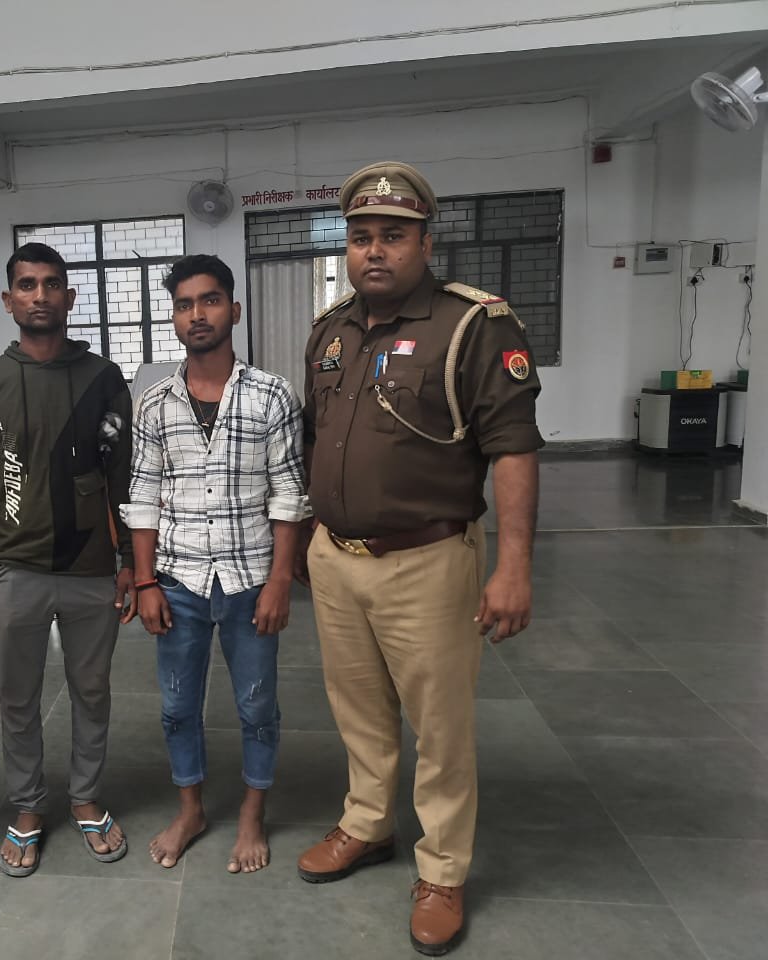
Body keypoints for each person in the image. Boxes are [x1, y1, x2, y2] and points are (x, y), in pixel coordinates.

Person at [295, 162, 542, 956]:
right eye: (361, 236)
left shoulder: (472, 326)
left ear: (426, 243)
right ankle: (368, 824)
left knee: (440, 727)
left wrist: (514, 567)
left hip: (428, 561)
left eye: (393, 236)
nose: (374, 251)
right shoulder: (330, 330)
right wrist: (312, 533)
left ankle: (442, 870)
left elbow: (513, 448)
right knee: (358, 710)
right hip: (337, 558)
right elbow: (318, 439)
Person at [123, 254, 307, 875]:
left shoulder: (271, 395)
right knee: (178, 707)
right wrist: (145, 581)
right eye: (184, 304)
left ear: (234, 309)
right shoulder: (154, 403)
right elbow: (143, 497)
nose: (197, 314)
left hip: (251, 580)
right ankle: (191, 810)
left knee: (256, 706)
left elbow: (288, 493)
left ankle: (253, 814)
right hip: (178, 581)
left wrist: (280, 581)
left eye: (209, 300)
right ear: (173, 317)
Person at [0, 241, 137, 877]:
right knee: (18, 698)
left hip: (92, 569)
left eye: (52, 284)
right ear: (9, 300)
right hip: (15, 570)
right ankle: (28, 805)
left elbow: (123, 476)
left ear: (70, 296)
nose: (40, 295)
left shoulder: (103, 379)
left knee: (92, 690)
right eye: (28, 285)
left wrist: (128, 561)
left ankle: (86, 796)